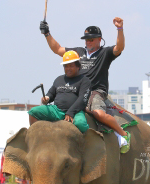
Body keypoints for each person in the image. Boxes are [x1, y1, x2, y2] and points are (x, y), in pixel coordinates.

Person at [39, 18, 130, 153]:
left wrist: (120, 29)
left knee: (98, 113)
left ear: (100, 39)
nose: (88, 42)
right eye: (86, 39)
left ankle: (122, 134)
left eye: (91, 39)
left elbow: (119, 47)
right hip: (76, 90)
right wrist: (46, 33)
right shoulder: (78, 52)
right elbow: (57, 49)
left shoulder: (104, 53)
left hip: (96, 91)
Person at [29, 50, 90, 133]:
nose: (68, 69)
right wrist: (47, 98)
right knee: (33, 112)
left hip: (76, 112)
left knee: (80, 124)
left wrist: (70, 112)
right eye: (66, 66)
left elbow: (83, 99)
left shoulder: (84, 80)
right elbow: (51, 93)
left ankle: (84, 143)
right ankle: (34, 135)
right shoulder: (59, 79)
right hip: (57, 110)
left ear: (78, 66)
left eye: (71, 66)